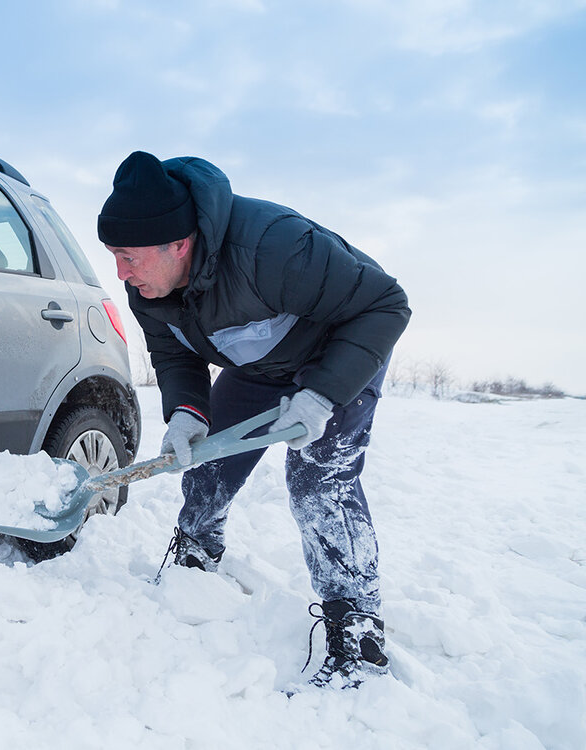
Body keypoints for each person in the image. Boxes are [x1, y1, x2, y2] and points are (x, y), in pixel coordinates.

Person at [98, 151, 410, 690]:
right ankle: (196, 553)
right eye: (114, 256)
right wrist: (187, 412)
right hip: (259, 366)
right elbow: (175, 355)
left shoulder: (273, 247)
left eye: (129, 257)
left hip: (340, 354)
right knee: (206, 460)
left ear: (179, 243)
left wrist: (323, 394)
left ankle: (356, 625)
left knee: (319, 480)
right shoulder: (147, 286)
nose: (120, 273)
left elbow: (386, 304)